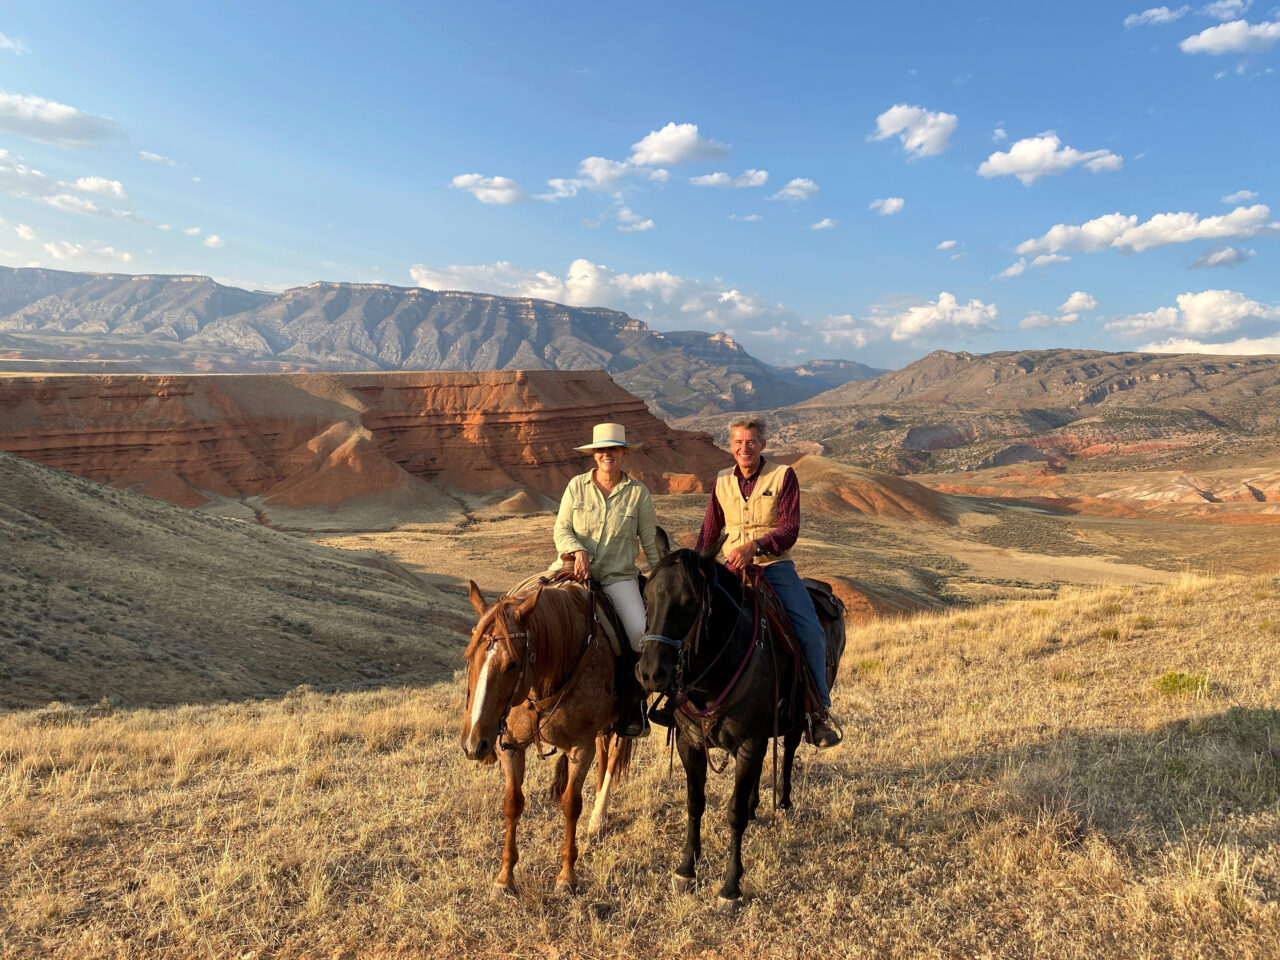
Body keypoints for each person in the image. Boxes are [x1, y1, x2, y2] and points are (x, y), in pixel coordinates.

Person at [695, 417, 841, 748]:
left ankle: (817, 711)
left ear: (762, 444)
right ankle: (685, 706)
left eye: (750, 442)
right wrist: (697, 565)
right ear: (729, 446)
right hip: (731, 569)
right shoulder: (721, 481)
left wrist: (756, 546)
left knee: (810, 630)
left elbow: (789, 528)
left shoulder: (783, 476)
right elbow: (709, 529)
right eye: (737, 442)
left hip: (773, 567)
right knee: (692, 622)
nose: (743, 448)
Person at [553, 422, 660, 737]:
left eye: (613, 449)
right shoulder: (576, 486)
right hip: (572, 571)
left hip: (617, 577)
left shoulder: (638, 493)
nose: (606, 455)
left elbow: (651, 543)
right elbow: (561, 529)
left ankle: (633, 703)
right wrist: (577, 550)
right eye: (601, 449)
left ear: (623, 453)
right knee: (528, 610)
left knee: (638, 632)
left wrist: (663, 578)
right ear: (593, 455)